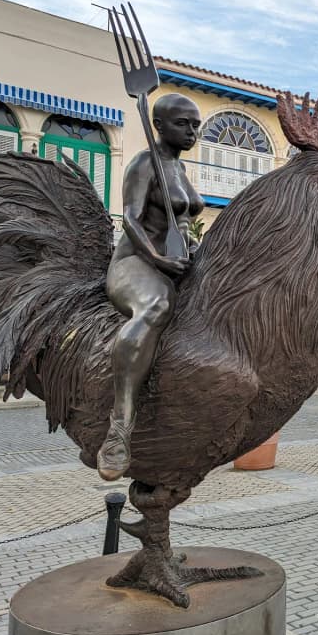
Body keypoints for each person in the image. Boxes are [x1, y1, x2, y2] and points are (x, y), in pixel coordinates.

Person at [98, 93, 205, 481]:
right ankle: (120, 427)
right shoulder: (145, 163)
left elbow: (184, 224)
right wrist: (157, 260)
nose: (192, 131)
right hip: (136, 263)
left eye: (196, 125)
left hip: (175, 262)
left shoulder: (179, 169)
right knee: (156, 306)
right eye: (183, 123)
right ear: (158, 125)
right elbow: (130, 218)